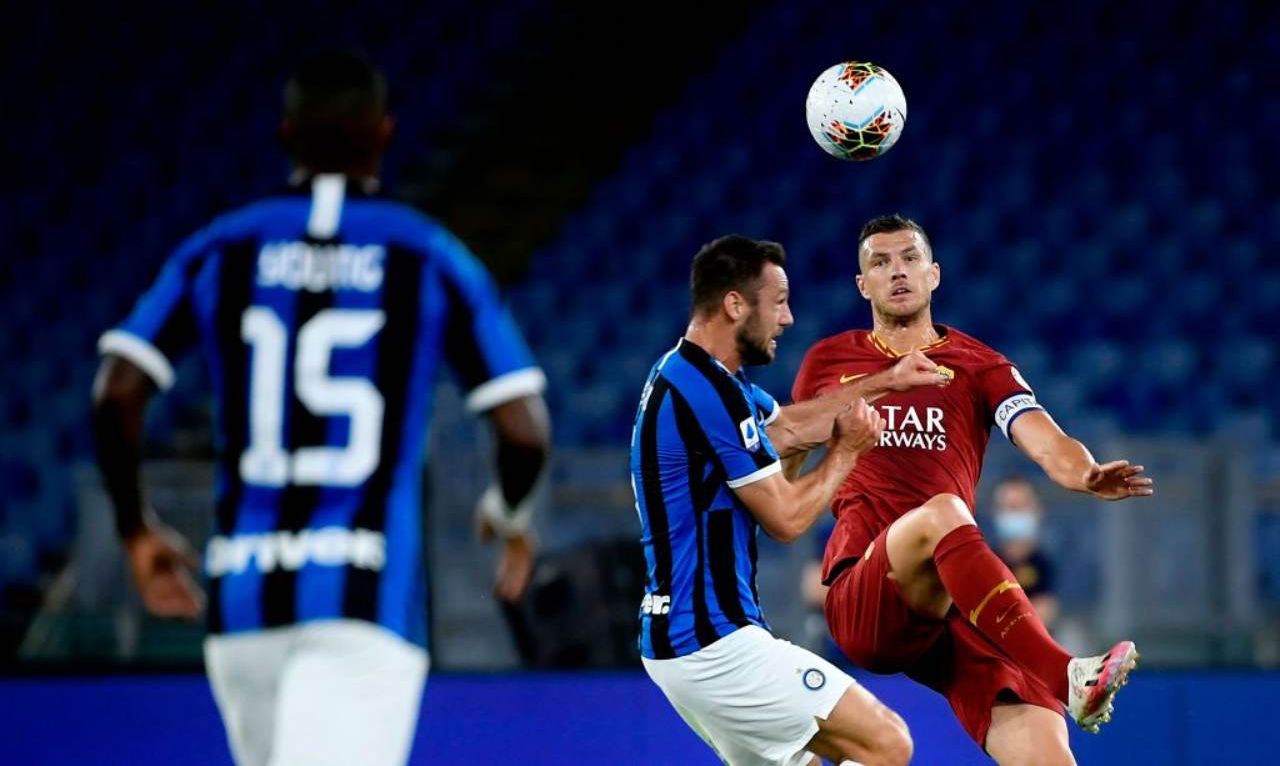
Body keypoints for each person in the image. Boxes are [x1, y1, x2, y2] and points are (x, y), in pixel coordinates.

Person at [90, 49, 551, 766]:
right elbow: (524, 430)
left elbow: (117, 388)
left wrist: (135, 529)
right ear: (385, 134)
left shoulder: (222, 246)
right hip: (365, 600)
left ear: (285, 135)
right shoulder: (427, 253)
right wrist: (509, 512)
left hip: (242, 600)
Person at [791, 214, 1153, 765]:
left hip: (953, 595)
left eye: (910, 258)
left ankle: (1057, 685)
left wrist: (1084, 472)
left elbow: (1046, 439)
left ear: (934, 274)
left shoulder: (980, 366)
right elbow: (783, 463)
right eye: (880, 263)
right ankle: (1066, 673)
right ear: (861, 285)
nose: (898, 272)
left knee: (1045, 749)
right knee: (943, 513)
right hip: (866, 589)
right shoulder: (828, 362)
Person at [631, 234, 949, 766]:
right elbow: (786, 517)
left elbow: (793, 423)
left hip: (681, 640)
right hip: (713, 642)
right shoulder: (706, 392)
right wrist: (846, 453)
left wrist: (890, 380)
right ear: (735, 304)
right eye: (777, 302)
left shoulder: (698, 378)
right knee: (887, 743)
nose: (788, 318)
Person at [991, 475, 1060, 629]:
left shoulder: (1045, 565)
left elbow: (1045, 612)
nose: (1015, 514)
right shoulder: (985, 564)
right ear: (996, 512)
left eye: (1020, 507)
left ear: (1037, 511)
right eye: (1009, 508)